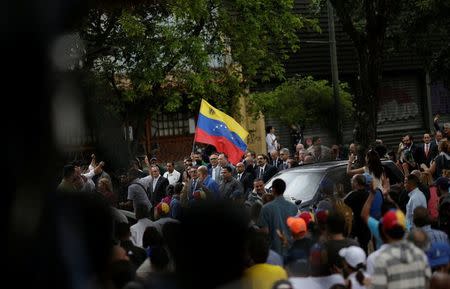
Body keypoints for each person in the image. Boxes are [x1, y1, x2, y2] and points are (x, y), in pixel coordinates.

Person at [257, 179, 298, 256]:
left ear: (273, 189)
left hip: (274, 251)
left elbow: (265, 231)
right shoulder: (294, 207)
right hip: (290, 249)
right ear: (284, 189)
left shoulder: (266, 208)